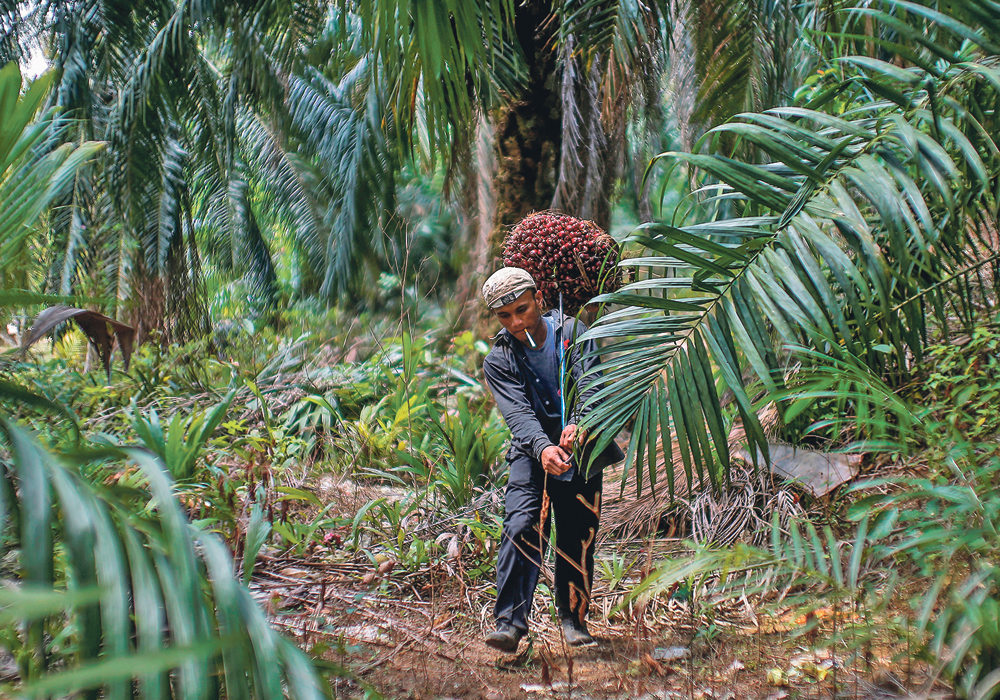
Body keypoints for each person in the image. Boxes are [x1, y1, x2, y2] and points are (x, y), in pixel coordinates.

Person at [481, 267, 625, 652]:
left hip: (582, 447)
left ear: (540, 300)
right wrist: (543, 448)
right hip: (532, 454)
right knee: (521, 524)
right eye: (505, 316)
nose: (516, 322)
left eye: (523, 310)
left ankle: (573, 620)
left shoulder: (573, 333)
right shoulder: (499, 359)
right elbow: (517, 414)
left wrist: (578, 423)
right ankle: (510, 624)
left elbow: (591, 383)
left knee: (577, 534)